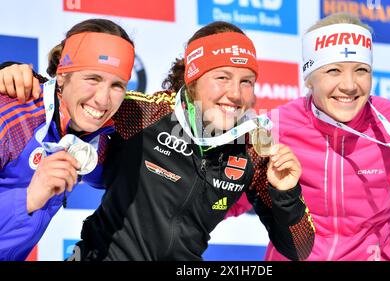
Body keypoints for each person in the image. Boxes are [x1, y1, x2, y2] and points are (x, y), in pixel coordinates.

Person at [0, 21, 315, 261]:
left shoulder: (254, 149)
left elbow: (300, 248)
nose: (235, 94)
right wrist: (10, 75)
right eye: (222, 78)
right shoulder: (143, 113)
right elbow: (74, 99)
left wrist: (285, 193)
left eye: (246, 81)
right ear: (192, 79)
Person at [227, 12, 390, 261]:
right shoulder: (276, 126)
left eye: (361, 70)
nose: (350, 85)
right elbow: (228, 200)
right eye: (334, 70)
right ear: (310, 80)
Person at [0, 18, 135, 260]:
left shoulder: (98, 138)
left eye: (117, 85)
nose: (103, 100)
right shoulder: (11, 116)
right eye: (92, 79)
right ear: (62, 75)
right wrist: (29, 197)